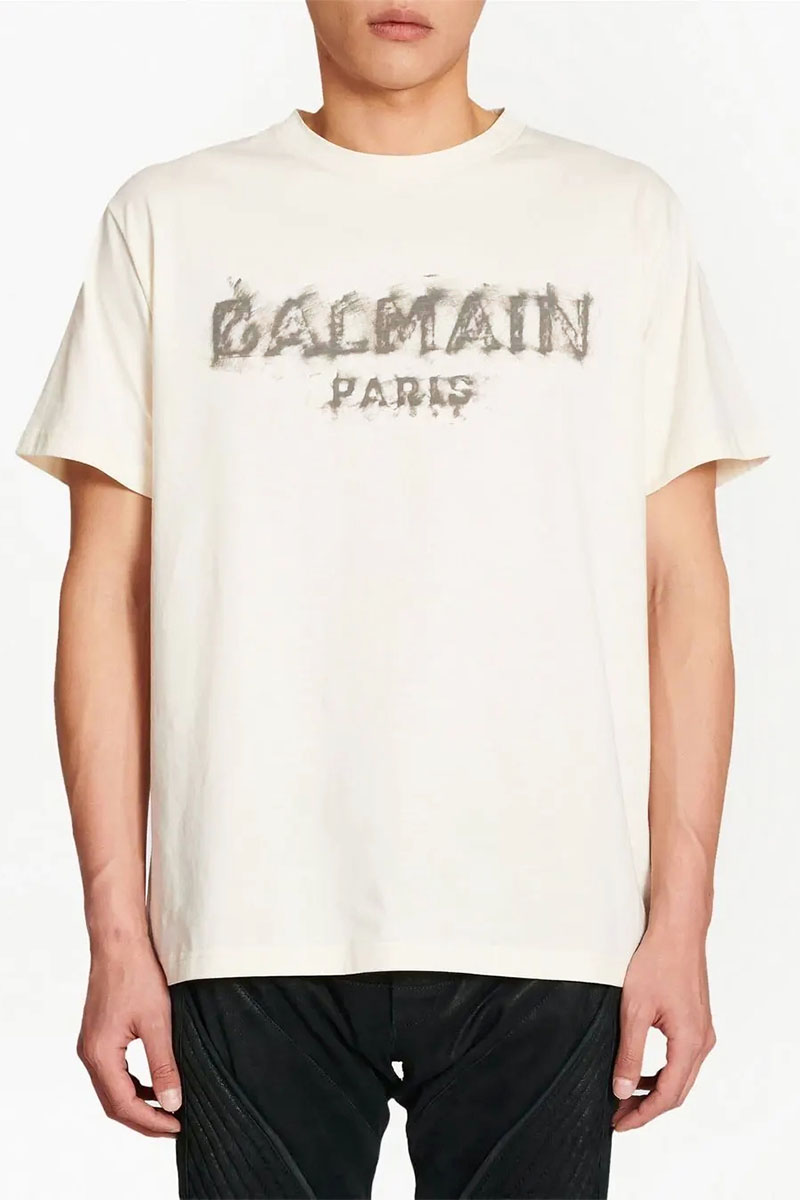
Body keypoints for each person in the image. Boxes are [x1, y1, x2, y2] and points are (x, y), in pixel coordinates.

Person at [16, 2, 770, 1197]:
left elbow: (682, 589)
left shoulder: (618, 217)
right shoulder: (170, 220)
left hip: (546, 913)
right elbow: (104, 589)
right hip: (247, 915)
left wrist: (680, 921)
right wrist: (117, 933)